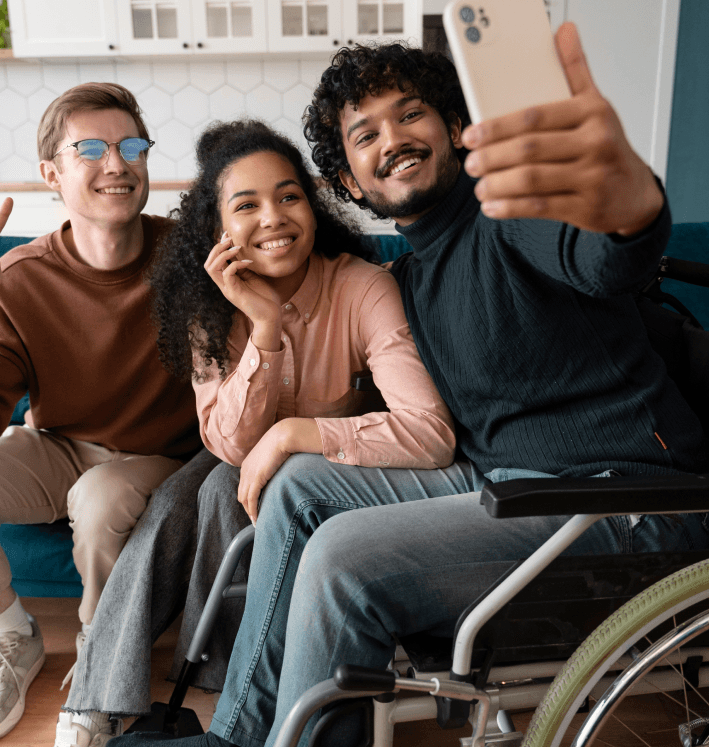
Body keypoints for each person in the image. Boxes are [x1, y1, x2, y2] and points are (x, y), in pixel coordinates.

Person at [109, 23, 709, 747]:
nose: (390, 138)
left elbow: (601, 255)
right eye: (363, 134)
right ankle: (236, 737)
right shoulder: (409, 275)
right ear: (346, 180)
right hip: (513, 484)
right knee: (301, 486)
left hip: (625, 505)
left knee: (345, 560)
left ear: (457, 128)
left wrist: (628, 207)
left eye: (409, 114)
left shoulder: (510, 216)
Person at [53, 119, 457, 747]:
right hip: (236, 461)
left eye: (290, 196)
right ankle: (100, 701)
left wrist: (297, 431)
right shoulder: (208, 306)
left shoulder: (363, 288)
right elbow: (233, 446)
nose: (274, 217)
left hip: (340, 470)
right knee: (194, 495)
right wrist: (264, 327)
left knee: (221, 490)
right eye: (247, 205)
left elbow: (429, 432)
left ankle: (226, 685)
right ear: (219, 233)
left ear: (314, 207)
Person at [0, 83, 204, 744]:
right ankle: (12, 635)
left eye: (131, 146)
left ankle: (101, 657)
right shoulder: (20, 277)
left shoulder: (189, 260)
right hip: (59, 448)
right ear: (51, 174)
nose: (117, 163)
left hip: (157, 458)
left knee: (103, 495)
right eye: (90, 148)